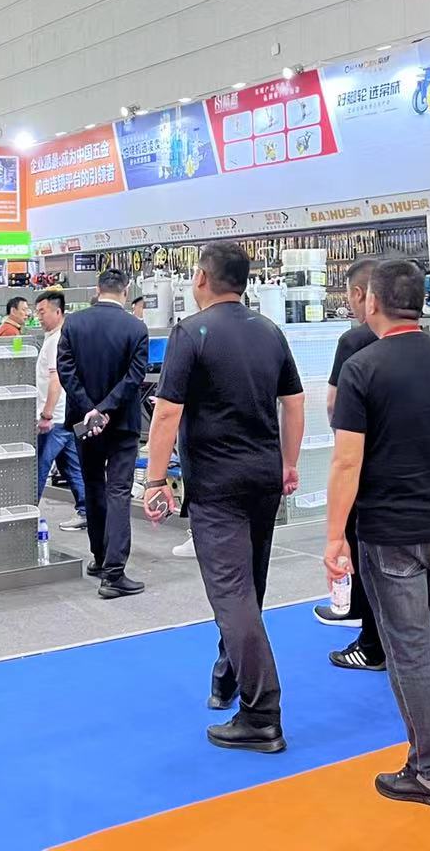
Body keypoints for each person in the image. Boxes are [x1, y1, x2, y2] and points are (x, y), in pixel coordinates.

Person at [326, 259, 430, 809]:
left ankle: (429, 770)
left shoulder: (362, 368)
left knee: (408, 646)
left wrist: (334, 537)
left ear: (371, 301)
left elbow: (347, 461)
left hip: (390, 529)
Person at [144, 243, 304, 752]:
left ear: (202, 278)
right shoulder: (269, 330)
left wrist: (154, 481)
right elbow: (294, 402)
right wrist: (289, 462)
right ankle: (227, 675)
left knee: (232, 593)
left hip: (218, 484)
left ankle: (262, 714)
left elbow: (167, 413)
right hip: (264, 478)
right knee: (249, 587)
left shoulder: (191, 332)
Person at [57, 268, 150, 597]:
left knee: (94, 487)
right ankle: (114, 574)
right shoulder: (136, 327)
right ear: (126, 291)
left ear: (98, 289)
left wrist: (90, 409)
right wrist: (107, 408)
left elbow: (65, 370)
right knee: (119, 491)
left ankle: (98, 558)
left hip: (85, 423)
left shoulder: (74, 323)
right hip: (122, 423)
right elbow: (135, 376)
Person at [317, 258, 384, 675]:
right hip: (414, 471)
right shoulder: (429, 347)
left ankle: (373, 644)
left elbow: (333, 402)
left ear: (361, 295)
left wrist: (332, 534)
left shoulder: (354, 341)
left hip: (364, 462)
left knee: (365, 548)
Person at [34, 288, 88, 531]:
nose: (38, 317)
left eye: (42, 312)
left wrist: (46, 415)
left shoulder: (56, 341)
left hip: (55, 419)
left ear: (58, 312)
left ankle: (26, 516)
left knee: (38, 469)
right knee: (72, 466)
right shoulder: (61, 337)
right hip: (67, 416)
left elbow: (56, 381)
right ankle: (87, 512)